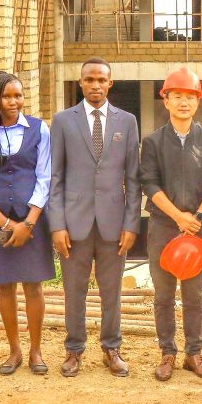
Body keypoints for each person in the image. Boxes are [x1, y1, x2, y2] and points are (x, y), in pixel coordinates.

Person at [49, 57, 141, 378]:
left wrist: (131, 224)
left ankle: (111, 348)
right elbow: (55, 177)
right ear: (80, 83)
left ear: (110, 83)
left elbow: (133, 178)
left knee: (111, 290)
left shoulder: (127, 121)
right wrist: (57, 224)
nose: (95, 85)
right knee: (73, 290)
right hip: (74, 222)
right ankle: (74, 349)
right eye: (89, 79)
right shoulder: (63, 121)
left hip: (113, 223)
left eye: (101, 80)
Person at [138, 67, 202, 381]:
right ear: (166, 101)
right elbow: (149, 183)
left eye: (190, 96)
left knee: (194, 295)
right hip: (164, 226)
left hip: (197, 228)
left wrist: (198, 217)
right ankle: (167, 353)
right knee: (163, 295)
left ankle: (194, 353)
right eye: (177, 96)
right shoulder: (153, 142)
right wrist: (178, 216)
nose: (183, 102)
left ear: (198, 101)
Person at [0, 71, 54, 376]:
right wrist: (4, 222)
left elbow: (45, 177)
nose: (13, 101)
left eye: (18, 95)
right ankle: (14, 350)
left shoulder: (39, 129)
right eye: (7, 96)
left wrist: (28, 222)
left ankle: (36, 350)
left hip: (33, 220)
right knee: (4, 285)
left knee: (33, 285)